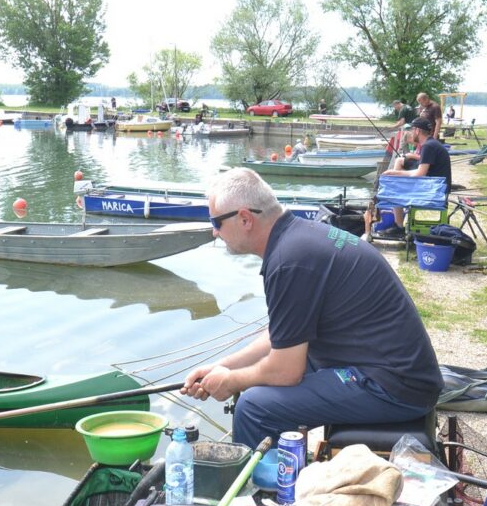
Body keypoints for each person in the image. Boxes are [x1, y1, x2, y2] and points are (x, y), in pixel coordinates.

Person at [182, 168, 442, 451]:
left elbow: (286, 371)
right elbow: (282, 335)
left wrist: (231, 381)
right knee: (256, 382)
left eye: (216, 222)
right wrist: (223, 367)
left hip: (395, 386)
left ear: (245, 219)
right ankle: (285, 461)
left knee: (253, 407)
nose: (214, 231)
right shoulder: (298, 237)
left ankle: (261, 479)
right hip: (379, 364)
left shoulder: (289, 261)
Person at [376, 117, 452, 234]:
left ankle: (398, 226)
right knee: (397, 175)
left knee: (395, 188)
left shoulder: (428, 146)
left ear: (417, 130)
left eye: (412, 130)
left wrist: (394, 173)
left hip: (435, 191)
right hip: (436, 185)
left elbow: (420, 173)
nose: (411, 133)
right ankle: (397, 223)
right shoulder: (431, 143)